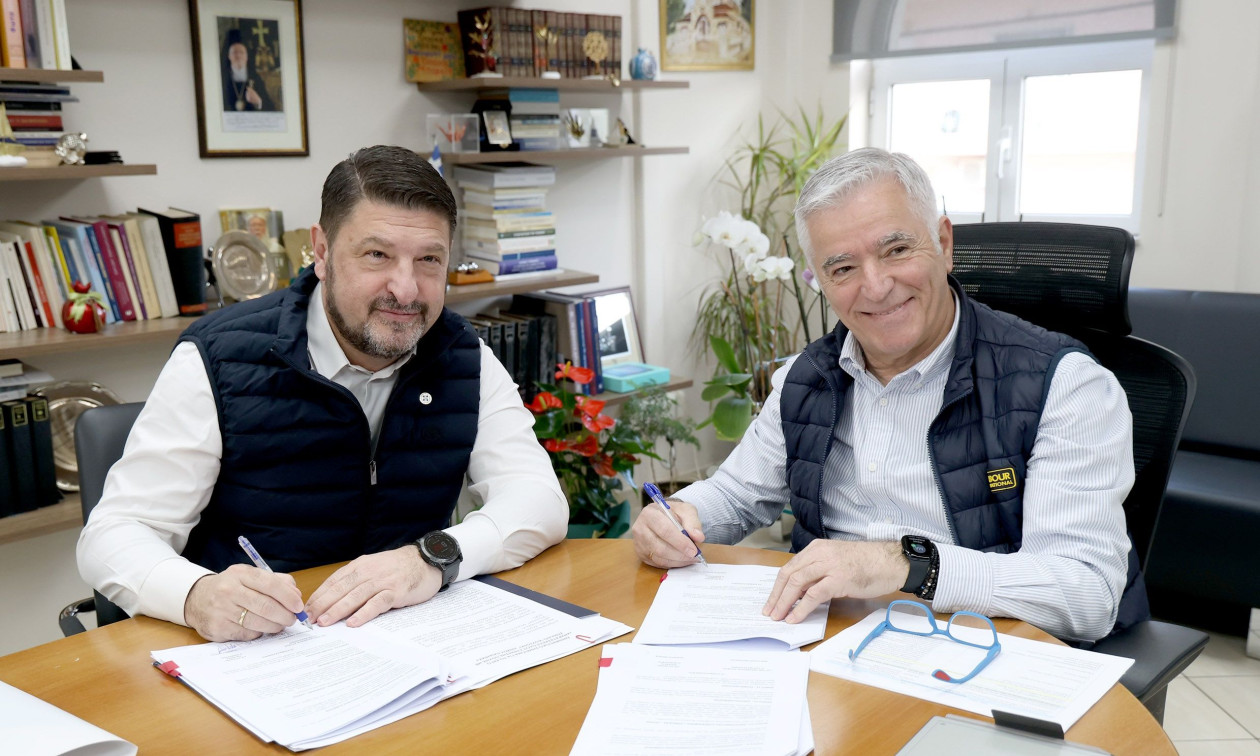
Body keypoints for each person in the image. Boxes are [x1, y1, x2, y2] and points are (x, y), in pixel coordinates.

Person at [633, 148, 1147, 643]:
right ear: (821, 281)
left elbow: (1086, 595)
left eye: (896, 250)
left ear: (943, 243)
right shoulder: (804, 379)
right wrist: (676, 516)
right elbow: (733, 495)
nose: (876, 286)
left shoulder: (1064, 386)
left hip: (981, 648)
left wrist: (907, 563)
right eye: (843, 268)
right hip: (824, 644)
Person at [78, 145, 568, 642]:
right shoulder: (219, 356)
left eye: (428, 260)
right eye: (377, 255)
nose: (406, 289)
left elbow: (539, 500)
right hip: (256, 647)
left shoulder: (461, 354)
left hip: (406, 641)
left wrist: (430, 559)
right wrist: (195, 594)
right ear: (322, 251)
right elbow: (114, 534)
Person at [220, 29, 273, 112]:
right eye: (234, 52)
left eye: (241, 52)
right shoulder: (222, 79)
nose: (238, 56)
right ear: (229, 56)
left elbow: (270, 108)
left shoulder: (255, 78)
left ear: (247, 57)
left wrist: (258, 102)